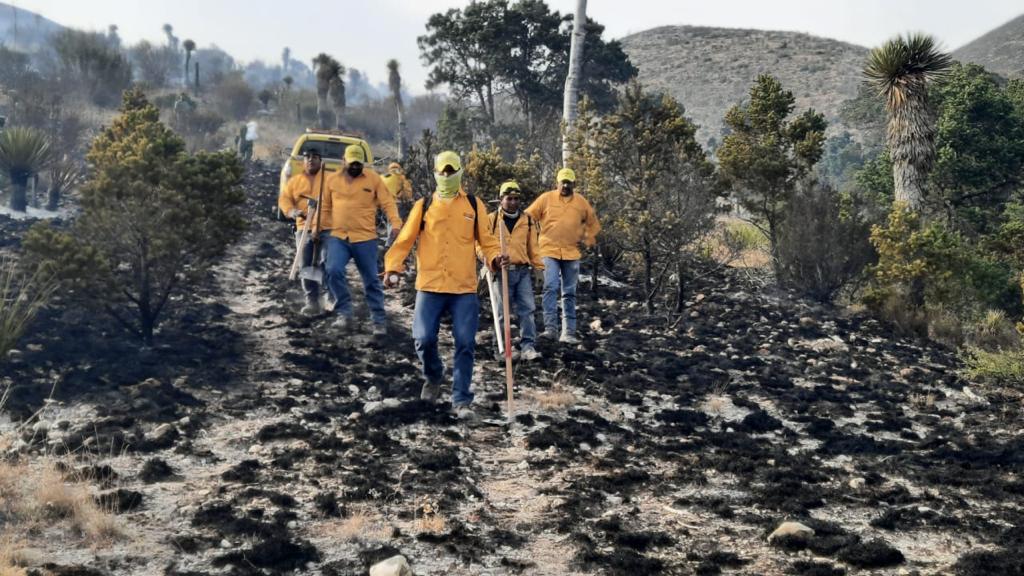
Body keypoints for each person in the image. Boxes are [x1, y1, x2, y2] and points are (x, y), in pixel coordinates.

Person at [383, 150, 506, 419]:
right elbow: (405, 238)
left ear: (460, 172)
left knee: (465, 342)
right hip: (429, 285)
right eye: (443, 172)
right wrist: (393, 267)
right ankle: (434, 375)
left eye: (452, 171)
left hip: (463, 287)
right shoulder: (424, 205)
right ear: (436, 174)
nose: (448, 176)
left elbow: (486, 240)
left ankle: (461, 399)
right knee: (423, 338)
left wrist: (495, 258)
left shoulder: (474, 205)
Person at [321, 144, 402, 335]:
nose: (355, 167)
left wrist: (396, 224)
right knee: (332, 270)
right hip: (338, 236)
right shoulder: (331, 180)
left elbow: (387, 203)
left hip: (365, 238)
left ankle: (378, 321)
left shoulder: (373, 179)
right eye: (352, 163)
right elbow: (324, 208)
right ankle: (345, 312)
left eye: (359, 164)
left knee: (371, 280)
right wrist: (319, 229)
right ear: (344, 161)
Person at [525, 167, 601, 344]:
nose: (565, 185)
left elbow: (594, 225)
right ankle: (550, 329)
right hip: (548, 250)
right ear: (556, 183)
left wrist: (586, 239)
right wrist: (531, 239)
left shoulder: (581, 202)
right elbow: (527, 218)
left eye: (569, 182)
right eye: (563, 182)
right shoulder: (546, 198)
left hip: (571, 253)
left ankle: (568, 333)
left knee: (569, 293)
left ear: (574, 184)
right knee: (550, 287)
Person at [483, 181, 544, 361]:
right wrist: (492, 260)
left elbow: (533, 247)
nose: (513, 202)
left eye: (516, 199)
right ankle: (502, 349)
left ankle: (528, 347)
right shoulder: (491, 220)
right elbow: (480, 246)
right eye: (509, 198)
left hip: (522, 271)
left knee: (527, 309)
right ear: (501, 199)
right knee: (501, 312)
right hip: (500, 272)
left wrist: (539, 268)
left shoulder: (528, 221)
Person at [277, 149, 330, 315]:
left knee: (328, 261)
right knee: (305, 264)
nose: (310, 160)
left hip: (327, 227)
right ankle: (312, 301)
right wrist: (292, 212)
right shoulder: (295, 181)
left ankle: (329, 296)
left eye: (315, 157)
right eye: (307, 157)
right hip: (303, 227)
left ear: (320, 160)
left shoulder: (330, 181)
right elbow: (284, 199)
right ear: (303, 161)